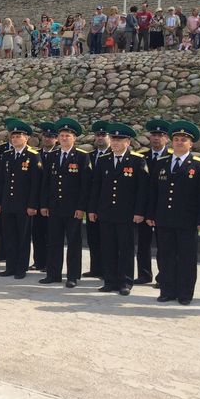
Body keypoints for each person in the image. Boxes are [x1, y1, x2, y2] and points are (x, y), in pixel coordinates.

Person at [145, 120, 200, 305]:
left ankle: (185, 293)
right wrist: (150, 214)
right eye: (176, 139)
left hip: (187, 220)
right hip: (164, 219)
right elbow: (153, 191)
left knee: (186, 258)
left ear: (191, 144)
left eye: (184, 139)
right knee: (165, 255)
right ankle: (167, 290)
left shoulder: (199, 165)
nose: (179, 142)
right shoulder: (161, 163)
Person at [88, 123, 149, 295]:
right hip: (106, 212)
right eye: (113, 139)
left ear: (127, 142)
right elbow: (96, 187)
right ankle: (110, 280)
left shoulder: (137, 161)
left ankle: (125, 282)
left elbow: (142, 190)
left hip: (127, 214)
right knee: (108, 247)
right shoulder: (104, 160)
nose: (115, 142)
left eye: (119, 139)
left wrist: (139, 212)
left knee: (126, 249)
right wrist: (92, 209)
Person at [40, 118, 92, 287]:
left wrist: (81, 207)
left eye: (67, 136)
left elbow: (85, 186)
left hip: (73, 208)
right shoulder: (53, 156)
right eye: (61, 135)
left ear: (74, 138)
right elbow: (46, 182)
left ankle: (72, 276)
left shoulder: (82, 157)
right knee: (53, 241)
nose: (64, 138)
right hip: (54, 206)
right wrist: (44, 204)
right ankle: (53, 274)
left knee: (73, 243)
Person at [0, 119, 42, 278]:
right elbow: (1, 181)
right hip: (8, 203)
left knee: (23, 237)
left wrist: (32, 205)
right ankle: (10, 266)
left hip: (24, 204)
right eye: (12, 136)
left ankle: (21, 268)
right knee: (10, 236)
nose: (14, 139)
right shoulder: (7, 156)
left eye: (18, 136)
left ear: (26, 138)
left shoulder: (33, 156)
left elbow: (36, 184)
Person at [135, 119, 172, 286]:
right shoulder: (142, 157)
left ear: (167, 139)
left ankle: (163, 276)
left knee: (164, 245)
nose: (156, 138)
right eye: (154, 135)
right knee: (143, 243)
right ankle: (144, 274)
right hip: (143, 207)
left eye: (160, 135)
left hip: (163, 208)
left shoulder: (171, 158)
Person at [31, 121, 58, 271]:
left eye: (52, 136)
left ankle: (49, 263)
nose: (48, 139)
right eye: (46, 136)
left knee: (51, 235)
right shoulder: (36, 155)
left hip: (52, 201)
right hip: (37, 200)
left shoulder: (58, 155)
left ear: (56, 139)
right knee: (37, 233)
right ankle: (38, 261)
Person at [84, 121, 110, 280]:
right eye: (98, 135)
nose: (100, 138)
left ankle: (107, 270)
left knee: (107, 240)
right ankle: (95, 268)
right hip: (92, 203)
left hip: (108, 204)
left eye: (103, 135)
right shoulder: (90, 156)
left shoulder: (113, 156)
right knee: (93, 238)